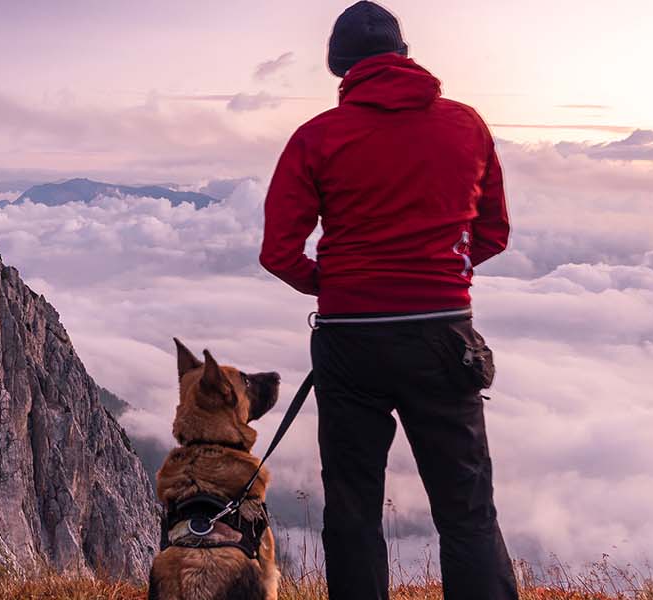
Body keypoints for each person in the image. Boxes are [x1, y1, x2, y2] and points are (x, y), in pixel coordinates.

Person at [258, 2, 518, 599]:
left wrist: (340, 283)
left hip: (351, 344)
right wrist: (437, 271)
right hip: (443, 336)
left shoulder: (316, 137)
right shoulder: (467, 126)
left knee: (352, 509)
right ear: (405, 56)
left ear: (340, 68)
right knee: (466, 508)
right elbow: (495, 232)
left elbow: (279, 251)